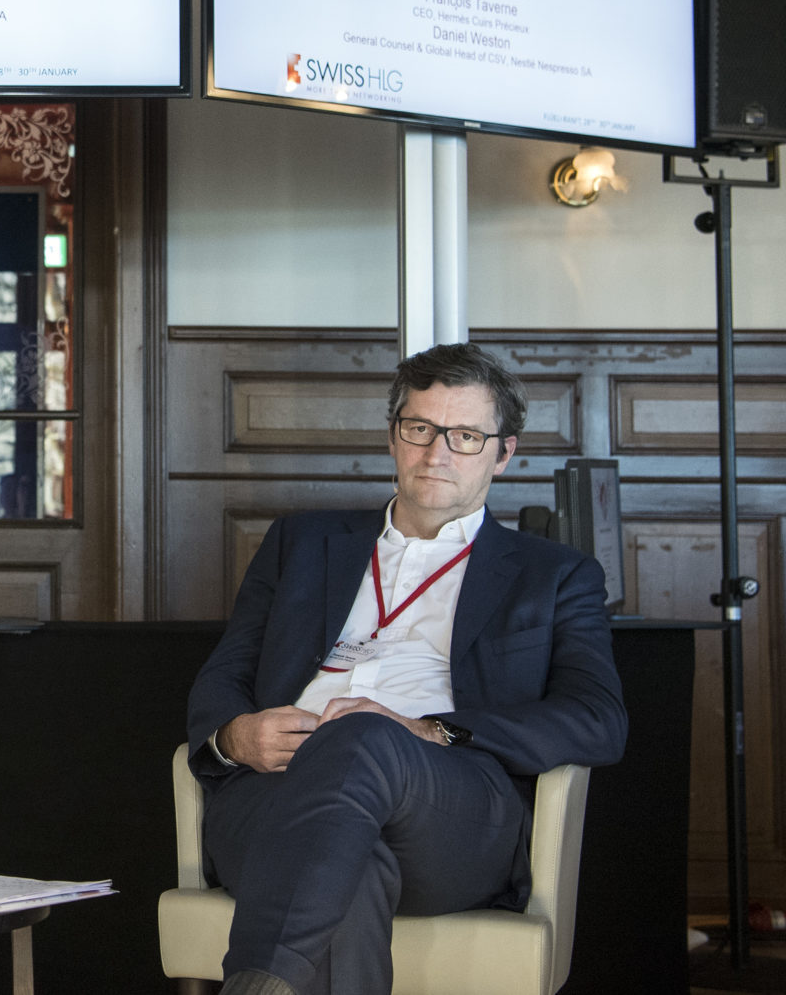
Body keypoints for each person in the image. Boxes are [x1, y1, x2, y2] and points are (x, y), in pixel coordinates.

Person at [184, 342, 627, 995]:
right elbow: (224, 674)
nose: (437, 453)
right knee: (347, 867)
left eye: (465, 435)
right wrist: (234, 736)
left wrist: (429, 730)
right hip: (276, 787)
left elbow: (598, 720)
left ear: (503, 453)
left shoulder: (555, 575)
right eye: (419, 428)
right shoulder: (299, 544)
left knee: (363, 738)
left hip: (449, 808)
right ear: (393, 436)